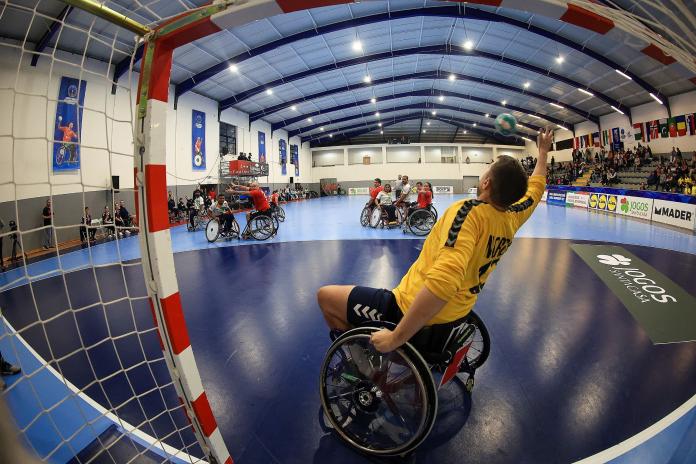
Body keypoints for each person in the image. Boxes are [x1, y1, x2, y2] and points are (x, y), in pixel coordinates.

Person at [317, 128, 553, 354]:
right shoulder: (512, 216)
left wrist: (395, 338)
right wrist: (542, 154)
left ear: (486, 183)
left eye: (487, 169)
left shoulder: (469, 214)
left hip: (406, 308)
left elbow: (444, 281)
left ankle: (363, 365)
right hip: (459, 311)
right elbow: (536, 189)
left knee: (326, 296)